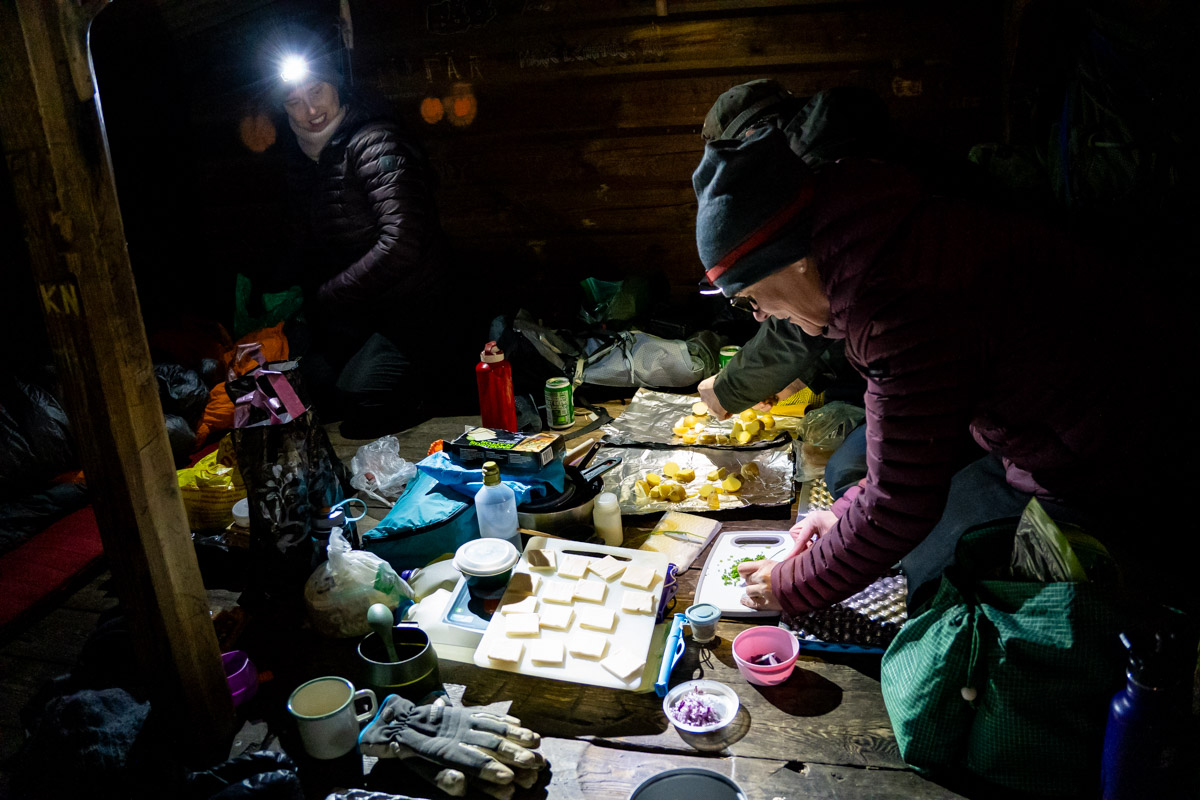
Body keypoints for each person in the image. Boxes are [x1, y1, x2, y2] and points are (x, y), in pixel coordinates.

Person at [692, 125, 1186, 616]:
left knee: (938, 589)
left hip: (1114, 453)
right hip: (1048, 424)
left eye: (750, 298)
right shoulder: (874, 239)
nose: (760, 315)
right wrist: (840, 516)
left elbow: (899, 501)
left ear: (793, 260)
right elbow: (908, 441)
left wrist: (794, 585)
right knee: (862, 485)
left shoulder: (895, 302)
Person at [264, 26, 454, 438]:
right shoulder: (305, 158)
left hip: (414, 312)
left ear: (336, 89)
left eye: (317, 93)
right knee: (309, 385)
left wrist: (333, 293)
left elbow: (402, 241)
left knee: (361, 399)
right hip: (361, 313)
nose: (310, 110)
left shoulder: (374, 143)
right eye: (295, 102)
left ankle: (434, 393)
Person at [696, 82, 879, 421]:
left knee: (845, 467)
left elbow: (814, 302)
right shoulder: (821, 152)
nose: (759, 314)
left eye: (751, 295)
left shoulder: (812, 168)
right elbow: (828, 311)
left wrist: (732, 387)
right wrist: (803, 375)